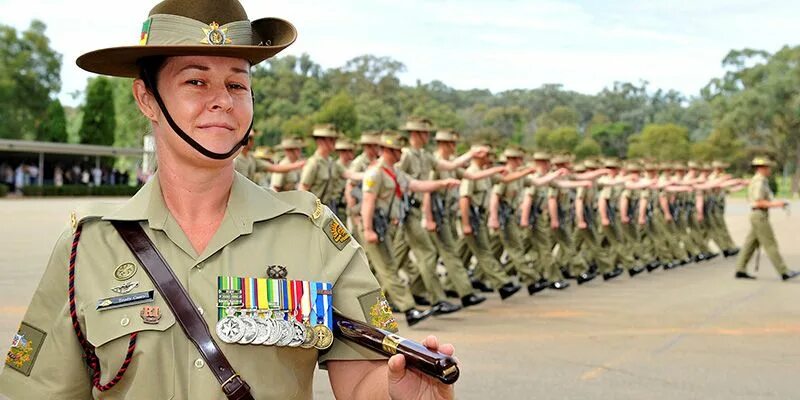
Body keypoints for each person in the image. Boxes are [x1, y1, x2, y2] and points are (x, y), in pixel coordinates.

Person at [0, 1, 456, 399]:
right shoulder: (88, 248)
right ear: (147, 98)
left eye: (237, 85)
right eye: (196, 82)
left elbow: (363, 380)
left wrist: (399, 392)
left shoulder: (310, 234)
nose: (222, 100)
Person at [360, 132, 462, 325]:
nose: (401, 154)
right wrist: (367, 229)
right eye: (398, 150)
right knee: (387, 270)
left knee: (382, 269)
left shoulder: (394, 172)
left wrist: (441, 183)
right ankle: (408, 309)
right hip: (375, 226)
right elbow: (368, 201)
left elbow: (416, 185)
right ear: (389, 151)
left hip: (384, 227)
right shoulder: (375, 172)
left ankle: (373, 314)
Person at [734, 157, 799, 281]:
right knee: (770, 244)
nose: (769, 170)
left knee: (750, 244)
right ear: (761, 168)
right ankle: (783, 271)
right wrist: (778, 204)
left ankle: (740, 269)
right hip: (759, 215)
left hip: (758, 215)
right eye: (767, 167)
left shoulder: (760, 180)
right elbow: (758, 201)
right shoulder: (759, 182)